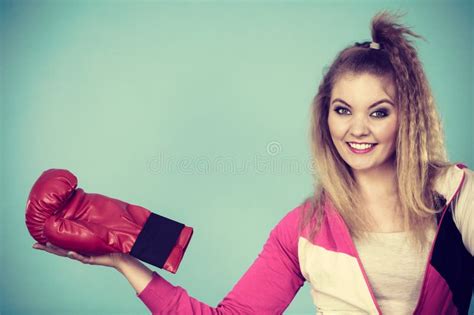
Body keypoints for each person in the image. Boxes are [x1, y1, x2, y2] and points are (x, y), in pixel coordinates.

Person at [32, 10, 473, 315]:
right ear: (325, 116)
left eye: (378, 111)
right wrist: (122, 260)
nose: (358, 129)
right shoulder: (304, 228)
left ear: (406, 116)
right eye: (343, 109)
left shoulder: (456, 194)